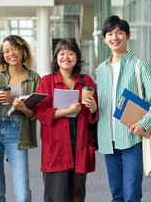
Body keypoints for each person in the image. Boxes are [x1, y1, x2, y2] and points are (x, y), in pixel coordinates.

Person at [96, 15, 151, 202]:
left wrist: (144, 123)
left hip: (132, 139)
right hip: (108, 141)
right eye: (110, 34)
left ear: (128, 36)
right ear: (105, 39)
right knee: (116, 195)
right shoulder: (101, 70)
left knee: (131, 194)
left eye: (119, 32)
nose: (114, 37)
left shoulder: (140, 65)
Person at [35, 39, 98, 202]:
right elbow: (41, 113)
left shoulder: (87, 82)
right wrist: (67, 111)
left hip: (79, 147)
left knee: (77, 197)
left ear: (77, 57)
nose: (66, 57)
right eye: (62, 53)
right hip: (56, 150)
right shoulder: (47, 81)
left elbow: (93, 115)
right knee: (56, 196)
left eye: (71, 53)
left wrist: (93, 108)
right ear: (56, 57)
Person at [0, 35, 41, 202]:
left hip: (18, 130)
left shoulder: (34, 78)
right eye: (6, 51)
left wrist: (24, 108)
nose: (11, 54)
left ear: (23, 51)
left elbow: (35, 114)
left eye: (15, 49)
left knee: (23, 192)